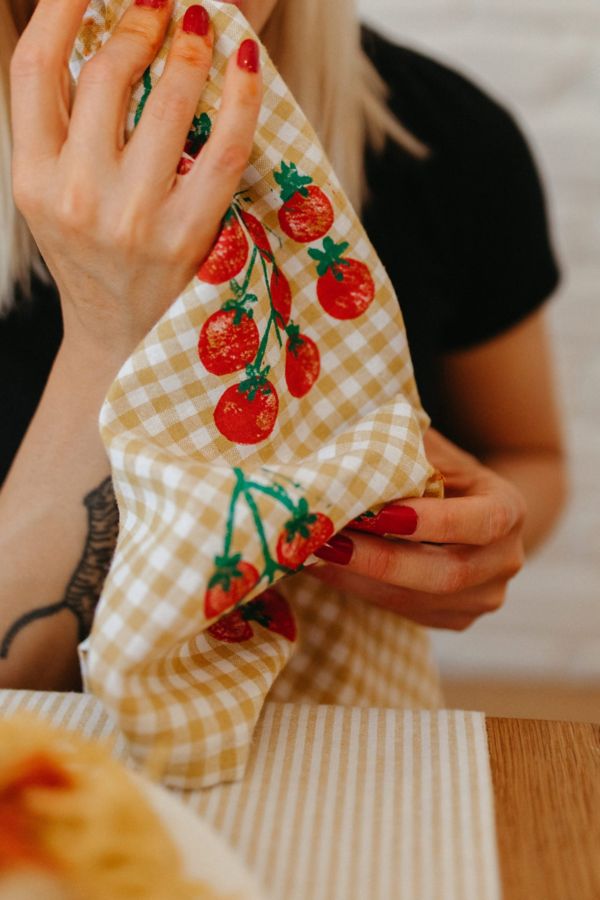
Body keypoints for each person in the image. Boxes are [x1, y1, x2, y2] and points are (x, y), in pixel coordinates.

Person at [0, 0, 567, 691]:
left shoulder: (448, 138)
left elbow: (531, 456)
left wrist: (467, 542)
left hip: (325, 761)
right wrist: (111, 336)